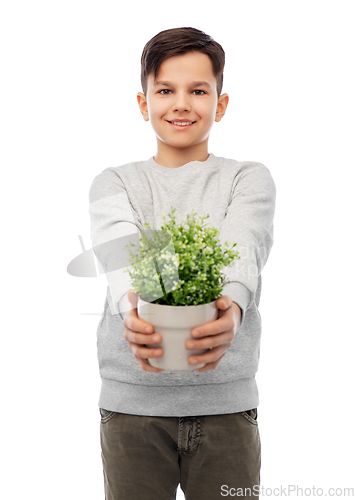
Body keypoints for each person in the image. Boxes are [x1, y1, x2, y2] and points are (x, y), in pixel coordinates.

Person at [88, 26, 276, 500]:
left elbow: (243, 245)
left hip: (226, 407)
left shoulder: (246, 178)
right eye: (165, 90)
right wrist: (137, 310)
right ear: (142, 102)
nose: (181, 104)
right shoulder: (116, 182)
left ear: (221, 102)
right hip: (132, 408)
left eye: (198, 90)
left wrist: (230, 308)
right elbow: (123, 249)